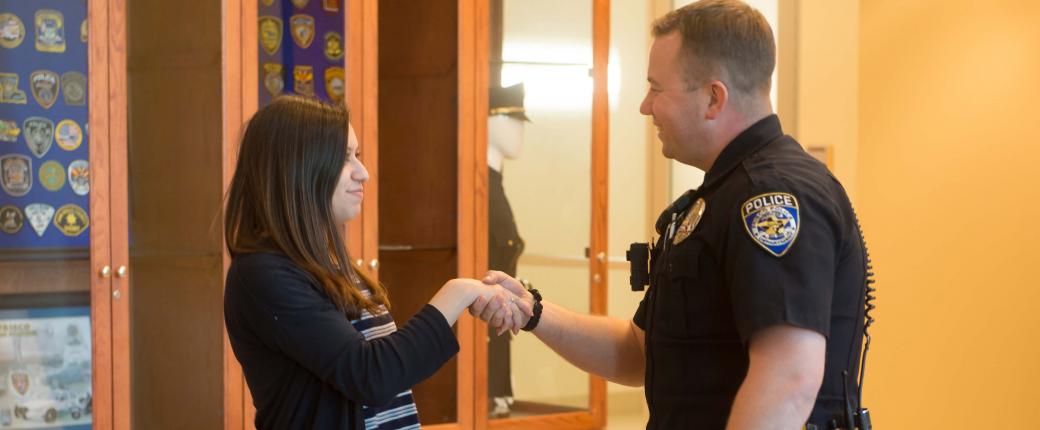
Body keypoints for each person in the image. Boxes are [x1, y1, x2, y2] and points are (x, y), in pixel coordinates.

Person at [474, 1, 871, 429]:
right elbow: (639, 353)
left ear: (713, 98)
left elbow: (789, 379)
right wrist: (532, 311)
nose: (645, 107)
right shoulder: (722, 196)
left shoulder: (770, 198)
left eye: (656, 88)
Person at [223, 95, 530, 430]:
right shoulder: (264, 274)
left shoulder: (323, 263)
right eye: (344, 159)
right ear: (298, 167)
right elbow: (371, 375)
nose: (363, 173)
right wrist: (458, 293)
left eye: (358, 156)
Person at [486, 83, 529, 417]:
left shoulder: (495, 189)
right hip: (483, 331)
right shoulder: (482, 190)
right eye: (510, 121)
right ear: (488, 122)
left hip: (499, 327)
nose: (519, 132)